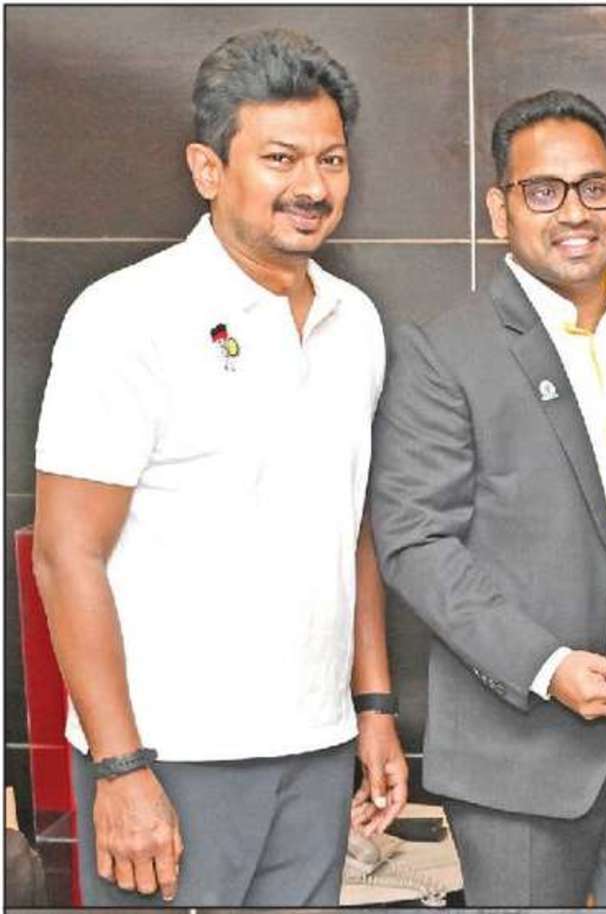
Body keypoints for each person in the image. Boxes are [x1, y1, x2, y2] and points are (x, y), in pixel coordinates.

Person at [32, 28, 407, 906]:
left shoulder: (356, 320)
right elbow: (65, 553)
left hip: (316, 751)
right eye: (279, 158)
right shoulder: (126, 315)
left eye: (331, 159)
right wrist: (121, 768)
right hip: (171, 760)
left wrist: (374, 709)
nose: (312, 186)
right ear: (208, 168)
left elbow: (348, 526)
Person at [367, 89, 606, 906]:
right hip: (521, 751)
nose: (574, 212)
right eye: (543, 191)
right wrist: (546, 668)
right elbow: (415, 542)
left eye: (593, 187)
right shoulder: (446, 351)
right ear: (499, 210)